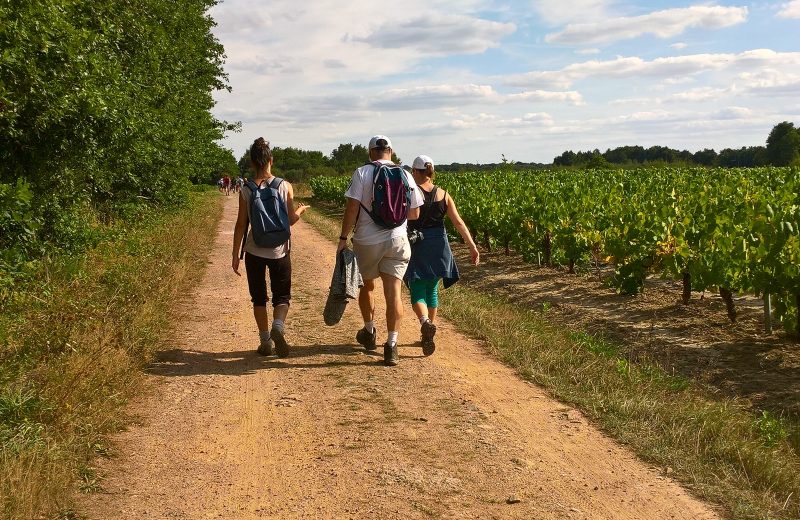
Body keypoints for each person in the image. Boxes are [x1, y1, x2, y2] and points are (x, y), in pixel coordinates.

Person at [337, 135, 424, 366]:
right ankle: (392, 345)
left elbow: (352, 209)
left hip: (367, 241)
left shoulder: (362, 173)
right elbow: (415, 213)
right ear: (391, 151)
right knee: (394, 292)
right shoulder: (405, 174)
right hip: (398, 239)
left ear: (371, 152)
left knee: (367, 286)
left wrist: (343, 237)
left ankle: (369, 331)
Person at [232, 138, 309, 357]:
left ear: (252, 162)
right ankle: (278, 326)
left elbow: (241, 224)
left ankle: (265, 341)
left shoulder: (246, 189)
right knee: (281, 297)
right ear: (270, 160)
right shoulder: (284, 185)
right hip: (279, 251)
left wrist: (235, 254)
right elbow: (291, 219)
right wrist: (301, 210)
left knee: (258, 298)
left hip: (254, 251)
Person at [404, 155, 479, 355]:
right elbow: (458, 222)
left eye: (413, 171)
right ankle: (427, 332)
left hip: (418, 244)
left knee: (417, 287)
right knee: (432, 289)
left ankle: (425, 322)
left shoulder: (411, 193)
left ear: (417, 172)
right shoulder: (444, 195)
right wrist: (472, 246)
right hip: (439, 244)